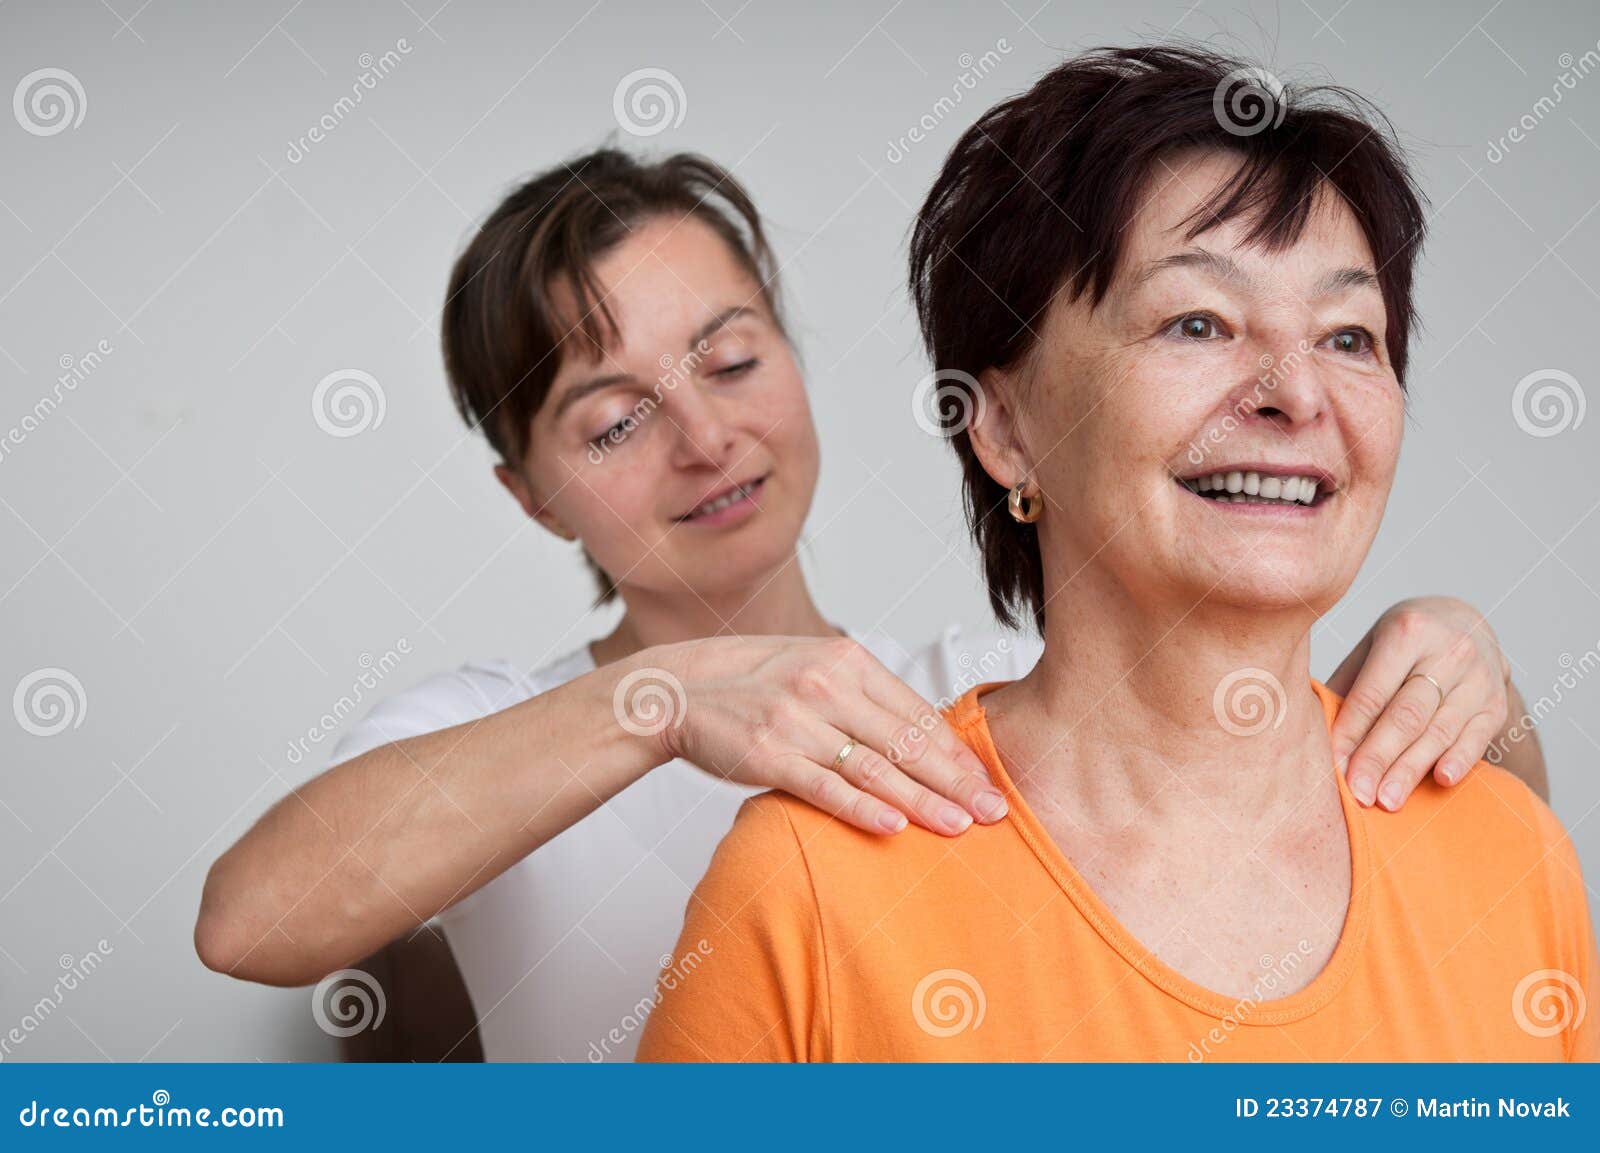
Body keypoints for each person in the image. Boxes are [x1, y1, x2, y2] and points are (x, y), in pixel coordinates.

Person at [197, 143, 1547, 1062]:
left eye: (731, 360)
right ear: (530, 494)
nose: (705, 436)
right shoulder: (496, 722)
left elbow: (1482, 854)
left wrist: (1475, 674)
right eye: (614, 421)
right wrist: (661, 703)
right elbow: (253, 921)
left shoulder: (986, 682)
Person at [637, 45, 1595, 1062]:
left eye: (1349, 336)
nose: (1297, 394)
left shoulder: (1509, 855)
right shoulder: (809, 884)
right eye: (1197, 322)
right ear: (1002, 426)